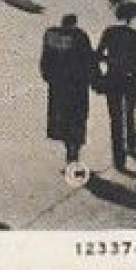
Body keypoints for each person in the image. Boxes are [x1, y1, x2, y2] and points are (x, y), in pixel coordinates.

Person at [95, 5, 136, 172]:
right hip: (131, 79)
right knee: (129, 114)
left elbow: (98, 55)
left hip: (113, 79)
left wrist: (108, 60)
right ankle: (132, 145)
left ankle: (119, 159)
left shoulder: (109, 32)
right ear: (131, 17)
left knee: (116, 119)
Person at [40, 13, 95, 166]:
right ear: (74, 23)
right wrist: (95, 80)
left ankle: (69, 151)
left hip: (57, 85)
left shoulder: (51, 34)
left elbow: (45, 57)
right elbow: (89, 59)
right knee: (77, 119)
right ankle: (73, 153)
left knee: (61, 118)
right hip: (77, 86)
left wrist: (48, 76)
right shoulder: (80, 36)